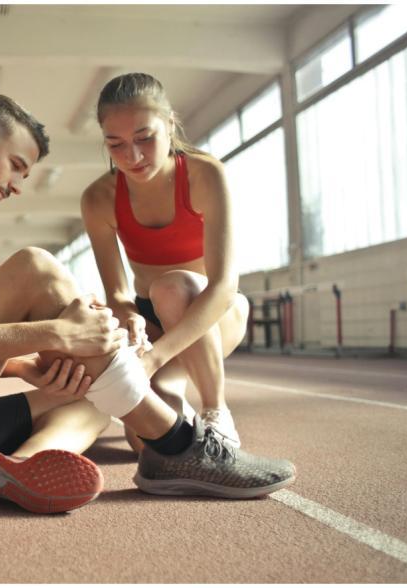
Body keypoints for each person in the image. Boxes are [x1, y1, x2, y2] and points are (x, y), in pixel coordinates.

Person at [0, 94, 295, 516]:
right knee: (35, 267)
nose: (18, 186)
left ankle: (21, 466)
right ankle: (178, 443)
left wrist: (29, 366)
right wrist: (55, 335)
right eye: (17, 166)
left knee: (92, 391)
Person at [81, 72, 249, 451]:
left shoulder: (206, 175)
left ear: (170, 124)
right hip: (152, 321)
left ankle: (215, 410)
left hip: (214, 312)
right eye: (116, 144)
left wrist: (154, 358)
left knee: (173, 287)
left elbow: (224, 287)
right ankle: (175, 391)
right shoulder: (99, 199)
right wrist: (128, 316)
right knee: (145, 443)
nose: (133, 156)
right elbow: (119, 292)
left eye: (144, 138)